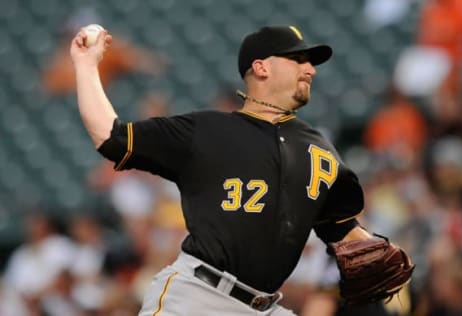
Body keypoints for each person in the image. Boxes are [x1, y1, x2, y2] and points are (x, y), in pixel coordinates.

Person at [71, 25, 397, 315]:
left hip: (267, 305)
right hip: (198, 298)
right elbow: (111, 137)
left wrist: (373, 248)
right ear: (261, 67)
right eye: (298, 60)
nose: (310, 69)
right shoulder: (205, 130)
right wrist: (86, 65)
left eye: (311, 62)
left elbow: (339, 227)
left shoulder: (319, 151)